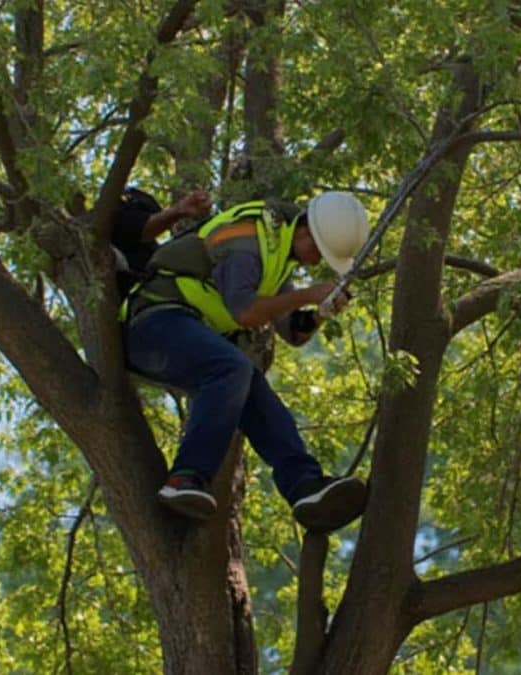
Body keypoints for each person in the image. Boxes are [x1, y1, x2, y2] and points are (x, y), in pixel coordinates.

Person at [121, 191, 370, 533]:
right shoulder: (247, 238)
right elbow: (246, 312)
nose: (315, 263)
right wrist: (310, 293)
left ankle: (305, 487)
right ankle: (186, 478)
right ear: (305, 232)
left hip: (186, 335)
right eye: (319, 252)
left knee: (255, 391)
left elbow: (293, 334)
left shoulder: (278, 254)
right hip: (152, 326)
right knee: (232, 367)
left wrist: (318, 314)